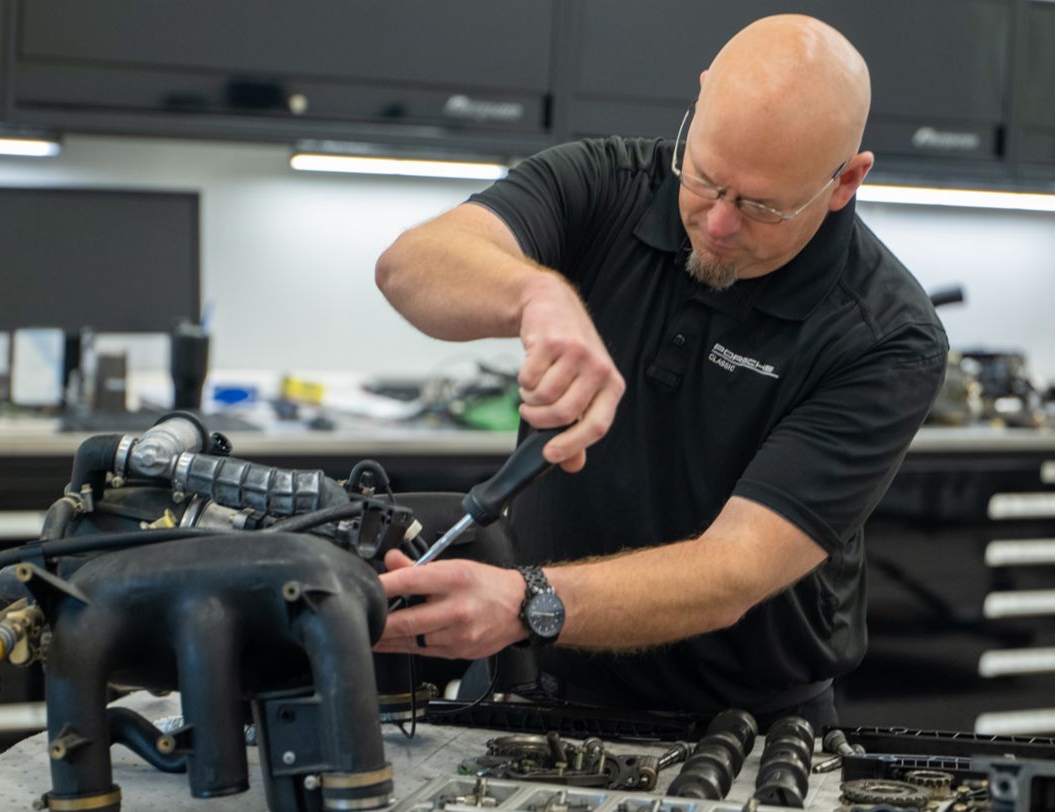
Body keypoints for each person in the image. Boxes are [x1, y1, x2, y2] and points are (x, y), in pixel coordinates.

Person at [372, 14, 947, 730]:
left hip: (745, 724)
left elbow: (732, 570)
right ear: (697, 103)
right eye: (706, 178)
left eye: (763, 205)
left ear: (845, 181)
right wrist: (536, 294)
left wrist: (526, 602)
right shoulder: (604, 183)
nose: (718, 224)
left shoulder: (887, 336)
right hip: (536, 686)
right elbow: (408, 266)